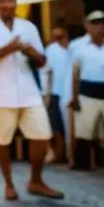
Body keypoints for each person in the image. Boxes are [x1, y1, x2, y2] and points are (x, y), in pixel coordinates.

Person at [0, 0, 62, 201]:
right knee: (1, 141)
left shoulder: (28, 27)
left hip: (28, 89)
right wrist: (7, 49)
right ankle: (9, 184)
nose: (8, 5)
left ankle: (36, 180)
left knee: (41, 135)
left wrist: (28, 51)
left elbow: (41, 61)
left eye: (11, 1)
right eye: (3, 2)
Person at [70, 10, 104, 171]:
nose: (98, 28)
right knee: (85, 129)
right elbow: (74, 73)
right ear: (87, 26)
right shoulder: (78, 46)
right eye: (94, 24)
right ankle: (82, 163)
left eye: (101, 24)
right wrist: (74, 97)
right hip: (88, 91)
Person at [41, 22, 71, 165]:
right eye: (55, 37)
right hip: (53, 92)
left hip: (67, 93)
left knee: (64, 127)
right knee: (55, 127)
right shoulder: (51, 51)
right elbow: (47, 73)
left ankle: (65, 154)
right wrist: (46, 94)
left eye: (60, 37)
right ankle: (57, 154)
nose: (57, 41)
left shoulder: (72, 51)